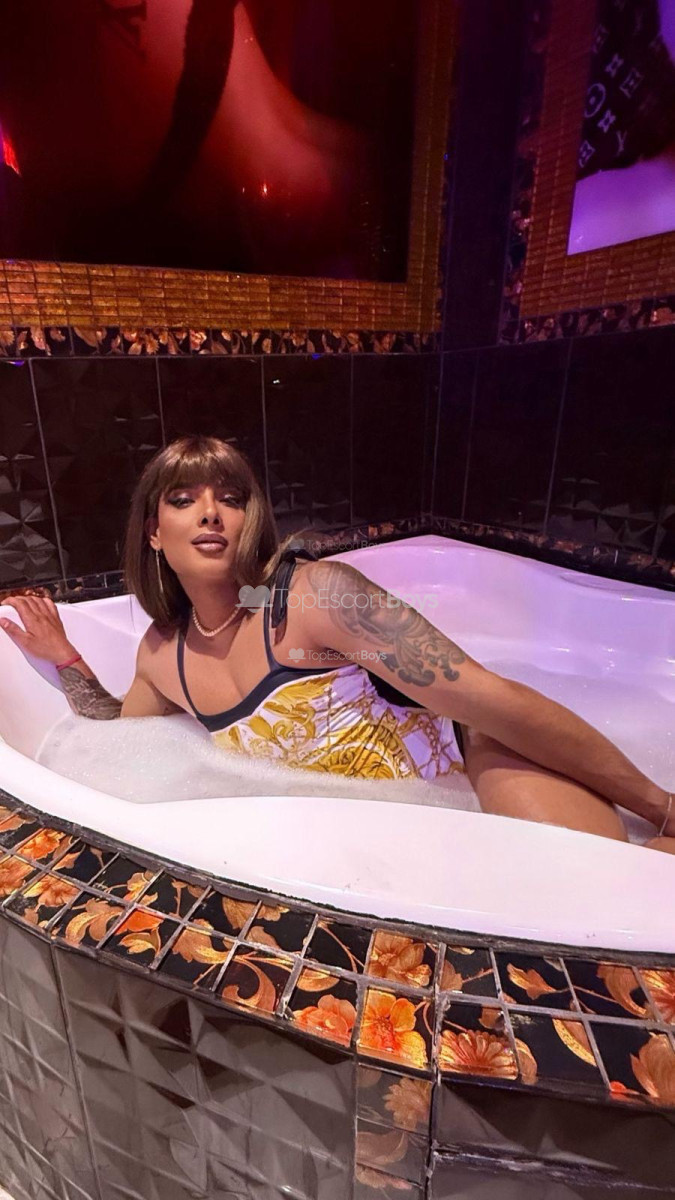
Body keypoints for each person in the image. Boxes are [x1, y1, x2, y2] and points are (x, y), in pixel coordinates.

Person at [1, 435, 673, 852]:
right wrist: (66, 657)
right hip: (387, 835)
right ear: (153, 532)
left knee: (610, 883)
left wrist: (659, 806)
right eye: (183, 500)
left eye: (230, 497)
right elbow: (119, 743)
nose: (210, 512)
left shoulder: (315, 598)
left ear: (250, 518)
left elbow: (491, 700)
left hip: (478, 760)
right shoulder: (161, 654)